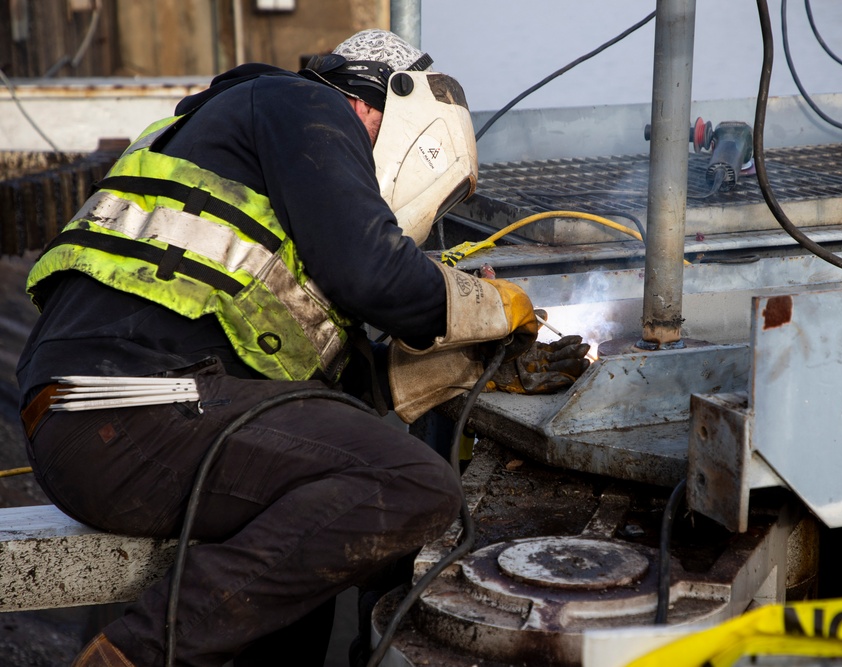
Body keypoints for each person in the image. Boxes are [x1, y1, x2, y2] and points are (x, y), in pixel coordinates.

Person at [16, 29, 590, 667]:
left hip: (107, 427)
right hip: (131, 413)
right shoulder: (302, 104)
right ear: (392, 106)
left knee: (316, 559)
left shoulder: (251, 160)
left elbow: (334, 402)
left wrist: (469, 362)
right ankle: (134, 656)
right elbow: (376, 273)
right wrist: (484, 305)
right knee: (409, 482)